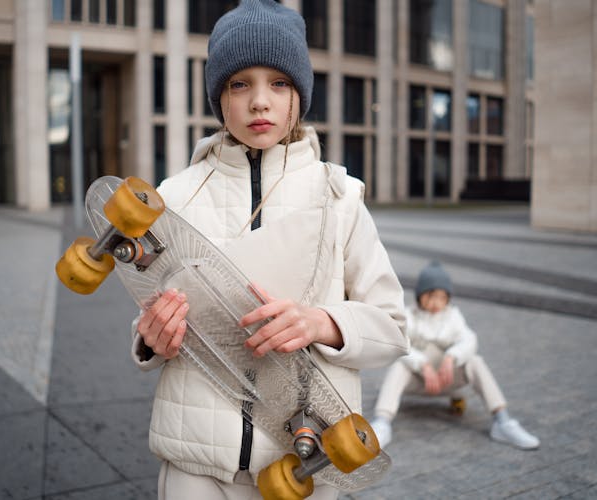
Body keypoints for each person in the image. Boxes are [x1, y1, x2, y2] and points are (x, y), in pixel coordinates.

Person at [129, 1, 409, 498]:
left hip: (304, 465)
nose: (260, 101)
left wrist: (323, 323)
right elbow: (151, 316)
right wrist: (152, 339)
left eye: (279, 83)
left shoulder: (340, 198)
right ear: (220, 97)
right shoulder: (173, 197)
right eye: (241, 84)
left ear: (299, 93)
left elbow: (392, 326)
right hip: (194, 465)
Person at [370, 261, 540, 451]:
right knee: (399, 364)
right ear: (420, 295)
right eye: (431, 296)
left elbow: (470, 340)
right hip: (420, 381)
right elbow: (400, 344)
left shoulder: (453, 316)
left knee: (475, 361)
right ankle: (382, 423)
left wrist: (451, 358)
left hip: (447, 380)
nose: (436, 303)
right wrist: (423, 365)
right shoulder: (409, 315)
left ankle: (503, 422)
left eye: (442, 297)